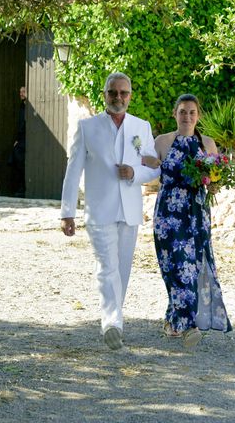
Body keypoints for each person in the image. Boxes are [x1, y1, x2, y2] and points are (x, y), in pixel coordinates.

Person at [59, 72, 160, 350]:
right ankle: (111, 323)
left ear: (130, 96)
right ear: (105, 95)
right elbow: (73, 170)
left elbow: (154, 167)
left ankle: (115, 320)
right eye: (113, 92)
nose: (118, 98)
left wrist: (134, 173)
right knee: (107, 267)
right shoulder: (88, 127)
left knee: (123, 269)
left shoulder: (142, 126)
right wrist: (67, 211)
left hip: (129, 210)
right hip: (99, 209)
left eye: (123, 93)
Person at [147, 93, 232, 348]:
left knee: (191, 266)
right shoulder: (161, 142)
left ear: (198, 116)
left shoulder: (208, 143)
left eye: (192, 112)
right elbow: (149, 175)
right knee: (172, 267)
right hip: (167, 216)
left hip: (196, 214)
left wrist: (214, 183)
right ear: (175, 114)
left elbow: (215, 182)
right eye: (182, 111)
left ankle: (185, 324)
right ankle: (178, 320)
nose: (187, 116)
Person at [12, 86, 26, 197]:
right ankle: (20, 188)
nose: (21, 94)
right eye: (20, 92)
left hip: (26, 139)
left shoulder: (28, 106)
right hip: (22, 140)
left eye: (23, 91)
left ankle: (22, 188)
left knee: (21, 162)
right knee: (18, 162)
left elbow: (24, 124)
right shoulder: (22, 106)